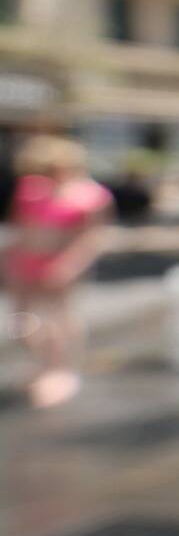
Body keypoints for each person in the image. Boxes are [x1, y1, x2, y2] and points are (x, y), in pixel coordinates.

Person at [5, 134, 113, 407]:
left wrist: (69, 265)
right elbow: (21, 228)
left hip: (62, 264)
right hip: (26, 264)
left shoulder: (91, 196)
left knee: (60, 320)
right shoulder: (31, 190)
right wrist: (9, 261)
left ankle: (60, 371)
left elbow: (93, 237)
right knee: (23, 321)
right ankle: (42, 366)